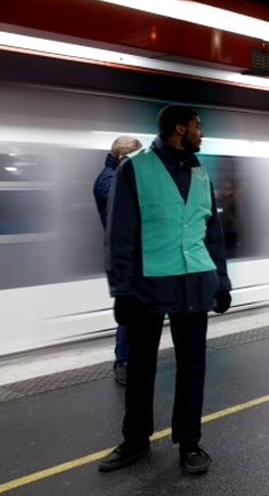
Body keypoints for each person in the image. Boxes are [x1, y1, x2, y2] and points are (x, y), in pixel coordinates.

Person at [98, 105, 233, 475]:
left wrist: (221, 280)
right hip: (148, 286)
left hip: (195, 283)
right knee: (141, 369)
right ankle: (136, 440)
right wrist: (121, 291)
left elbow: (212, 234)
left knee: (193, 368)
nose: (201, 134)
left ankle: (189, 443)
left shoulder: (200, 172)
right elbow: (119, 236)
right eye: (197, 127)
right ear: (179, 129)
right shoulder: (134, 168)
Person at [92, 135, 142, 386]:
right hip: (125, 255)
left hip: (132, 252)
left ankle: (130, 358)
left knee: (135, 310)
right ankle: (122, 361)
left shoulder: (114, 177)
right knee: (129, 311)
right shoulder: (108, 182)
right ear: (123, 159)